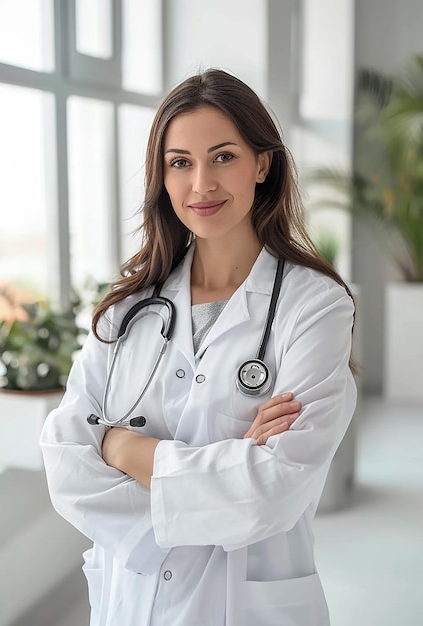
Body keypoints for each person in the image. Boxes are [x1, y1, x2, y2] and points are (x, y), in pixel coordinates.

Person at [40, 68, 357, 626]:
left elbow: (273, 492)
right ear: (161, 177)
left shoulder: (316, 306)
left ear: (263, 163)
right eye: (180, 162)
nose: (201, 184)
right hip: (131, 604)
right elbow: (66, 463)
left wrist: (120, 450)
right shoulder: (128, 309)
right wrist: (227, 474)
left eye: (224, 157)